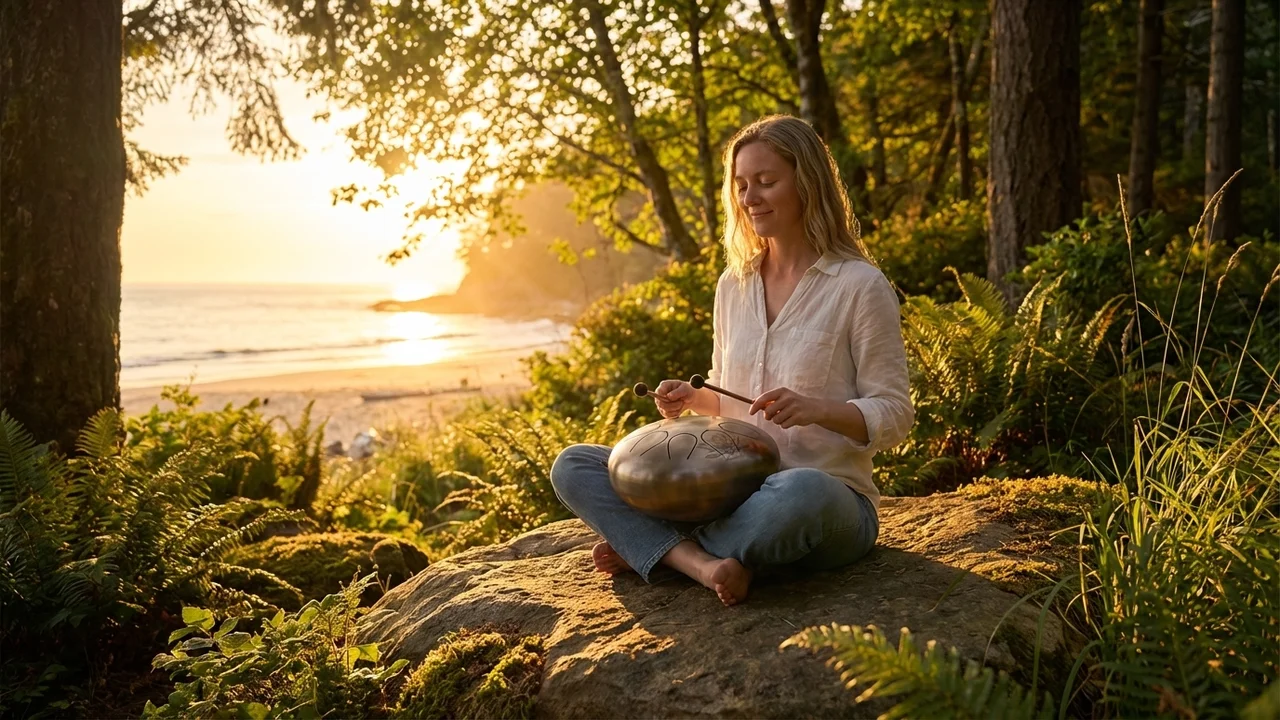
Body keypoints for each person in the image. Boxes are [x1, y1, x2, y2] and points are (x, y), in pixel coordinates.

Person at [549, 114, 914, 606]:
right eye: (742, 185)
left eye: (766, 182)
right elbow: (727, 393)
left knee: (805, 491)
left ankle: (660, 551)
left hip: (822, 502)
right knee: (577, 464)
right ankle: (706, 563)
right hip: (725, 494)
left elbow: (895, 414)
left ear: (808, 183)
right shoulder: (733, 285)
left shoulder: (859, 286)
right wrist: (694, 396)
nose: (750, 198)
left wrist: (818, 408)